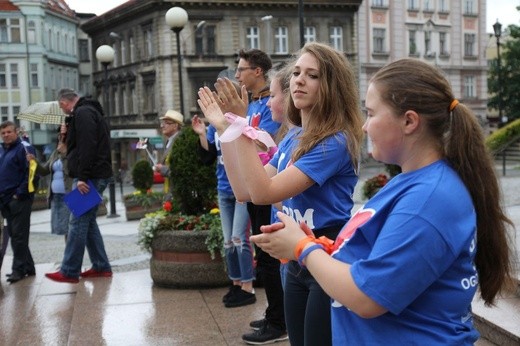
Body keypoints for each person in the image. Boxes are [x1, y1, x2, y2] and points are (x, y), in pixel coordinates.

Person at [251, 58, 515, 345]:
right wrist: (322, 246)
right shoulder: (413, 181)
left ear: (409, 121)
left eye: (371, 113)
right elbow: (382, 251)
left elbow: (368, 297)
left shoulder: (429, 200)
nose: (364, 127)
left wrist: (303, 248)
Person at [198, 42, 364, 345]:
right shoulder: (294, 136)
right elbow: (244, 191)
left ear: (332, 86)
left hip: (326, 257)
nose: (298, 80)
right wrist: (226, 127)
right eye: (297, 72)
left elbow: (264, 192)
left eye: (312, 75)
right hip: (296, 258)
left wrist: (242, 125)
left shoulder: (333, 142)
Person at [45, 88, 113, 283]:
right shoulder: (85, 112)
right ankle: (101, 266)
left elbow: (88, 146)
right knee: (88, 222)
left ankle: (69, 270)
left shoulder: (83, 113)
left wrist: (82, 176)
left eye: (61, 107)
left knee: (77, 222)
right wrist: (66, 134)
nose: (62, 110)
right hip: (94, 174)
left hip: (90, 176)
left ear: (66, 102)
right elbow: (76, 148)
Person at [192, 115, 256, 308]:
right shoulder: (214, 126)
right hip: (223, 189)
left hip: (242, 190)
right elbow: (208, 157)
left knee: (239, 238)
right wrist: (203, 134)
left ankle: (248, 286)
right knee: (228, 241)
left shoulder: (242, 122)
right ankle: (235, 283)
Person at [0, 121, 37, 283]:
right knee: (15, 234)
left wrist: (19, 194)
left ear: (16, 131)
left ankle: (18, 270)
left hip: (19, 199)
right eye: (3, 133)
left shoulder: (24, 148)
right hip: (5, 199)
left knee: (19, 236)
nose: (6, 135)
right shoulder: (2, 150)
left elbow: (32, 172)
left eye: (9, 132)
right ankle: (29, 267)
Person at [27, 130, 72, 242]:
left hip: (69, 194)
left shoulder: (73, 152)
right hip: (56, 195)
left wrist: (65, 154)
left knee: (70, 227)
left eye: (62, 137)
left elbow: (71, 170)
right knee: (63, 228)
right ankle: (70, 254)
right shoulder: (55, 153)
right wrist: (34, 161)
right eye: (59, 137)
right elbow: (44, 171)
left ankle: (71, 256)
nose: (60, 139)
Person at [154, 110, 183, 193]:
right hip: (170, 188)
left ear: (175, 126)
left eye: (166, 123)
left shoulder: (179, 141)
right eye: (163, 123)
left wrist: (162, 168)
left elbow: (179, 170)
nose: (162, 126)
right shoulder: (170, 140)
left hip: (177, 191)